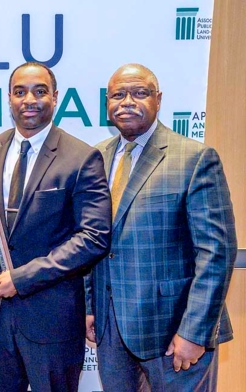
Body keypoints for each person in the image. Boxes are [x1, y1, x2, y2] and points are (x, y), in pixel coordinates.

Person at [0, 62, 112, 391]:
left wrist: (20, 279)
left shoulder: (81, 158)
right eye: (20, 92)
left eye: (39, 91)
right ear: (9, 98)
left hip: (52, 318)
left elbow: (94, 238)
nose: (29, 99)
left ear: (55, 98)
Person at [85, 63, 237, 391]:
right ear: (107, 104)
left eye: (140, 93)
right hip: (112, 330)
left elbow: (216, 254)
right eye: (118, 95)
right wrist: (89, 307)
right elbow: (91, 240)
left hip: (173, 332)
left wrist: (195, 332)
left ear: (158, 100)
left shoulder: (194, 158)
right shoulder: (97, 157)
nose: (127, 101)